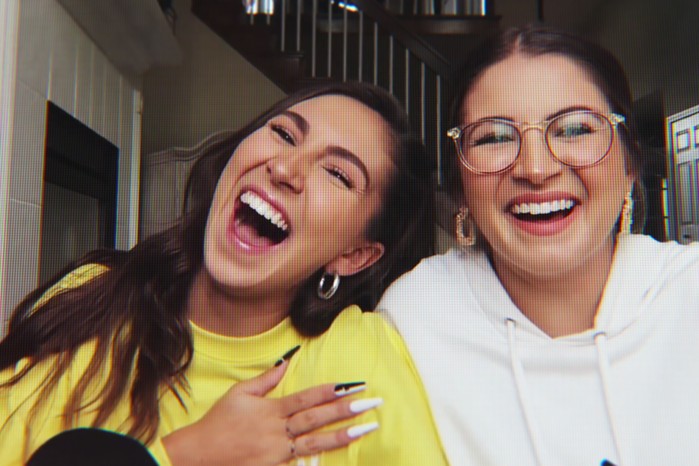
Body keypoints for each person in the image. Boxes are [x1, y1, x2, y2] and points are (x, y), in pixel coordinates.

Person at [0, 81, 448, 466]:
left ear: (354, 256)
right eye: (284, 134)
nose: (285, 169)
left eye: (336, 173)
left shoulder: (357, 355)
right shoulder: (91, 293)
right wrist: (186, 454)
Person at [378, 24, 699, 466]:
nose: (535, 167)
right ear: (460, 186)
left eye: (573, 129)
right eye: (494, 137)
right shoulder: (413, 318)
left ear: (629, 165)